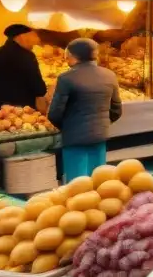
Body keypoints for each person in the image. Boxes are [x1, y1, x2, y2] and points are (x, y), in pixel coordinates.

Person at [47, 38, 122, 179]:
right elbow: (117, 110)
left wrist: (68, 127)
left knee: (78, 185)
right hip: (100, 136)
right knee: (99, 181)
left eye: (67, 55)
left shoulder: (66, 78)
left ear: (74, 56)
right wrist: (100, 123)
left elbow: (54, 114)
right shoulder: (109, 75)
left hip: (75, 140)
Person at [0, 24, 47, 113]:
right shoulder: (27, 57)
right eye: (31, 37)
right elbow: (39, 89)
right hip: (23, 113)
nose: (34, 43)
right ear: (21, 37)